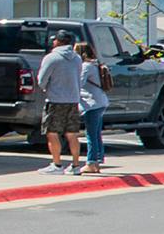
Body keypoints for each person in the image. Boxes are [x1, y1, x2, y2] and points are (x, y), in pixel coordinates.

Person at [35, 32, 86, 172]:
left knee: (52, 132)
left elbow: (41, 80)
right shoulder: (77, 58)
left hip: (55, 100)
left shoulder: (51, 57)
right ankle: (75, 165)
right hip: (73, 100)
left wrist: (46, 88)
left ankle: (57, 164)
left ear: (58, 41)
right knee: (72, 133)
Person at [76, 38, 110, 174]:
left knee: (90, 134)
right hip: (101, 101)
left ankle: (91, 162)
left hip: (91, 103)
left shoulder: (86, 67)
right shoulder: (96, 64)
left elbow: (79, 83)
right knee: (96, 134)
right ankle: (97, 161)